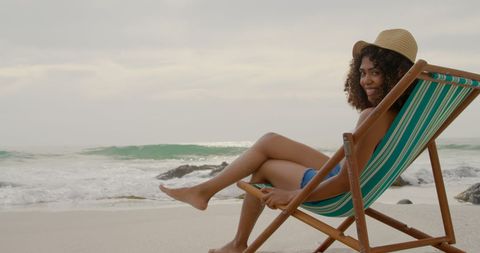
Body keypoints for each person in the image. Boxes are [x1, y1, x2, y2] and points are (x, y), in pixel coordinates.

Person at [160, 28, 418, 253]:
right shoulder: (404, 113)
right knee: (270, 140)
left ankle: (235, 239)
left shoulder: (372, 116)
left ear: (396, 74)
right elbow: (353, 171)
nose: (365, 80)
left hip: (340, 190)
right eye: (362, 73)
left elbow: (345, 183)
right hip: (354, 179)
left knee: (263, 167)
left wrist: (293, 195)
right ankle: (205, 194)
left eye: (375, 72)